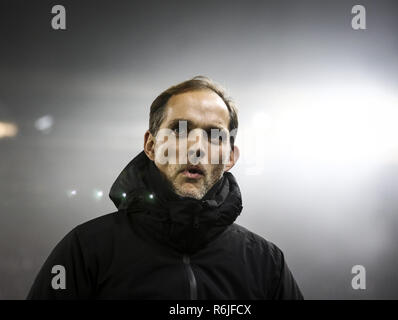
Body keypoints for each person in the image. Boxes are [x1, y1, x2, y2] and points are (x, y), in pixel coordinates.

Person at [27, 76, 304, 299]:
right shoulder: (86, 250)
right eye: (180, 130)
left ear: (231, 157)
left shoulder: (266, 262)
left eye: (215, 135)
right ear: (150, 145)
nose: (196, 148)